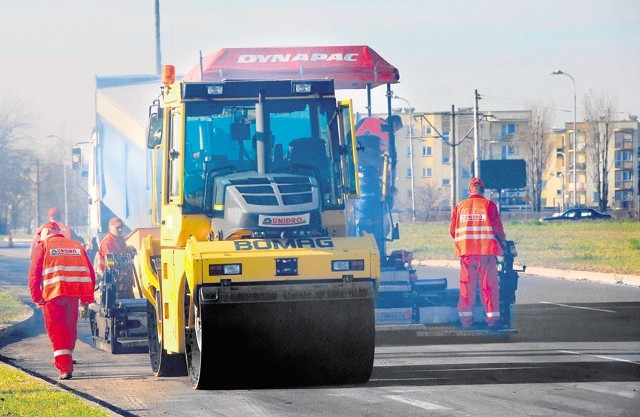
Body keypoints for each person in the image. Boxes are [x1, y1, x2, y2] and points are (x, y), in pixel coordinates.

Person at [28, 222, 95, 380]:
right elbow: (89, 272)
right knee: (70, 328)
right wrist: (87, 297)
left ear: (45, 233)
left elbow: (34, 274)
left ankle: (65, 367)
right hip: (73, 295)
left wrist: (37, 297)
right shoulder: (77, 245)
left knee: (57, 331)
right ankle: (66, 357)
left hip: (52, 295)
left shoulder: (43, 246)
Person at [449, 177, 507, 329]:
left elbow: (453, 231)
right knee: (488, 287)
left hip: (466, 254)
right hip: (486, 253)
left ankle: (466, 321)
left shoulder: (460, 206)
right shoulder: (488, 205)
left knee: (466, 287)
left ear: (469, 190)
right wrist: (504, 243)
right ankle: (493, 320)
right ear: (483, 190)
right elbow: (497, 229)